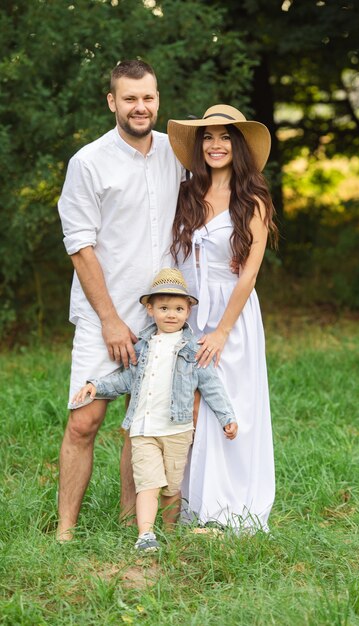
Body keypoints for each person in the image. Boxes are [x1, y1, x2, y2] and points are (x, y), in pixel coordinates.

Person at [56, 59, 184, 541]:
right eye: (129, 98)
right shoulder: (89, 162)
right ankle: (65, 529)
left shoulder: (179, 153)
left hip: (164, 315)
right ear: (112, 102)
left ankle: (136, 525)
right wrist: (110, 320)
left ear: (157, 99)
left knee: (144, 426)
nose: (140, 106)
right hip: (103, 315)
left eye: (147, 97)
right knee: (85, 420)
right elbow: (80, 246)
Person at [71, 268, 238, 552]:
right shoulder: (144, 346)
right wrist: (96, 386)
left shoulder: (191, 349)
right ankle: (145, 535)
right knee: (147, 483)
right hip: (144, 429)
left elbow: (211, 386)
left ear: (188, 311)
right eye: (163, 308)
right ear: (150, 310)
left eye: (178, 308)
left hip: (177, 429)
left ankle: (170, 532)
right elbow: (126, 379)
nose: (171, 314)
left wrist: (227, 417)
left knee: (171, 487)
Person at [167, 104, 278, 532]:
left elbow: (249, 273)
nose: (216, 145)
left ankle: (231, 510)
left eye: (225, 137)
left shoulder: (254, 199)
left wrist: (222, 331)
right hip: (190, 310)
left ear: (239, 146)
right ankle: (194, 506)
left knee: (230, 407)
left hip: (232, 316)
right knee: (190, 407)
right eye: (208, 137)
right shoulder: (187, 193)